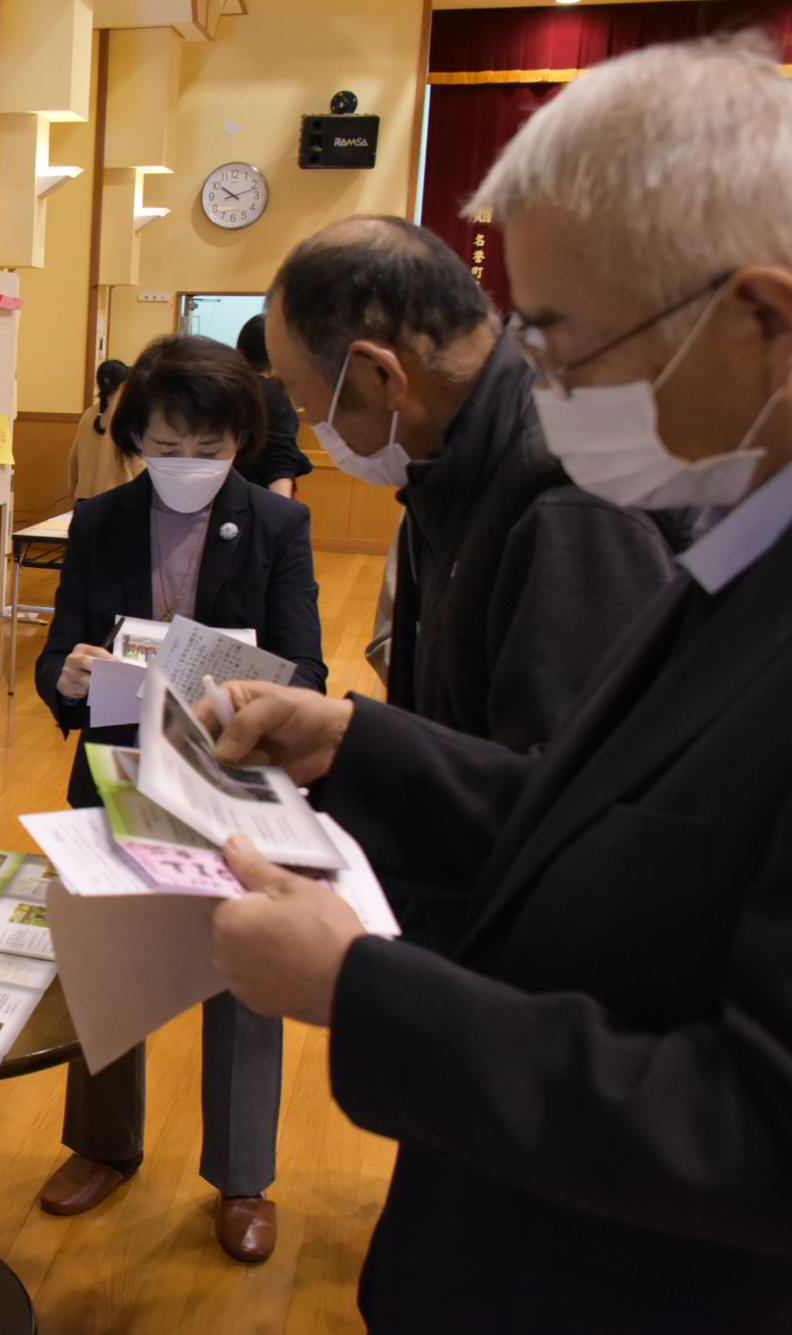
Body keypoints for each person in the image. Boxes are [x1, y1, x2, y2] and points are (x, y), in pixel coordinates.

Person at [204, 35, 792, 1331]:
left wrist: (360, 988)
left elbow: (755, 1128)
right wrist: (355, 734)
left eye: (565, 333)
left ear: (759, 320)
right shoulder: (732, 544)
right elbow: (587, 814)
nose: (539, 373)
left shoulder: (585, 502)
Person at [33, 335, 325, 1261]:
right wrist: (72, 677)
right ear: (136, 439)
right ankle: (103, 1145)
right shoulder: (101, 520)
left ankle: (243, 1178)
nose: (188, 467)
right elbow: (54, 658)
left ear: (241, 439)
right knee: (107, 956)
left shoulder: (277, 527)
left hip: (232, 776)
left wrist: (238, 688)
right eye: (167, 446)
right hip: (117, 770)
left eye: (209, 448)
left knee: (244, 968)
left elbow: (307, 666)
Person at [267, 216, 675, 758]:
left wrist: (355, 746)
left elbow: (567, 794)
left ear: (380, 377)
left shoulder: (568, 500)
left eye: (304, 396)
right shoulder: (449, 457)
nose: (309, 417)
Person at [233, 314, 312, 498]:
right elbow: (278, 461)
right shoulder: (274, 395)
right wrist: (282, 514)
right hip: (256, 499)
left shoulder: (227, 388)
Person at [67, 358, 145, 500]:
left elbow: (74, 459)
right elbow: (139, 463)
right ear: (125, 384)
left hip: (86, 498)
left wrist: (73, 488)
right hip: (120, 498)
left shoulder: (88, 415)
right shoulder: (130, 416)